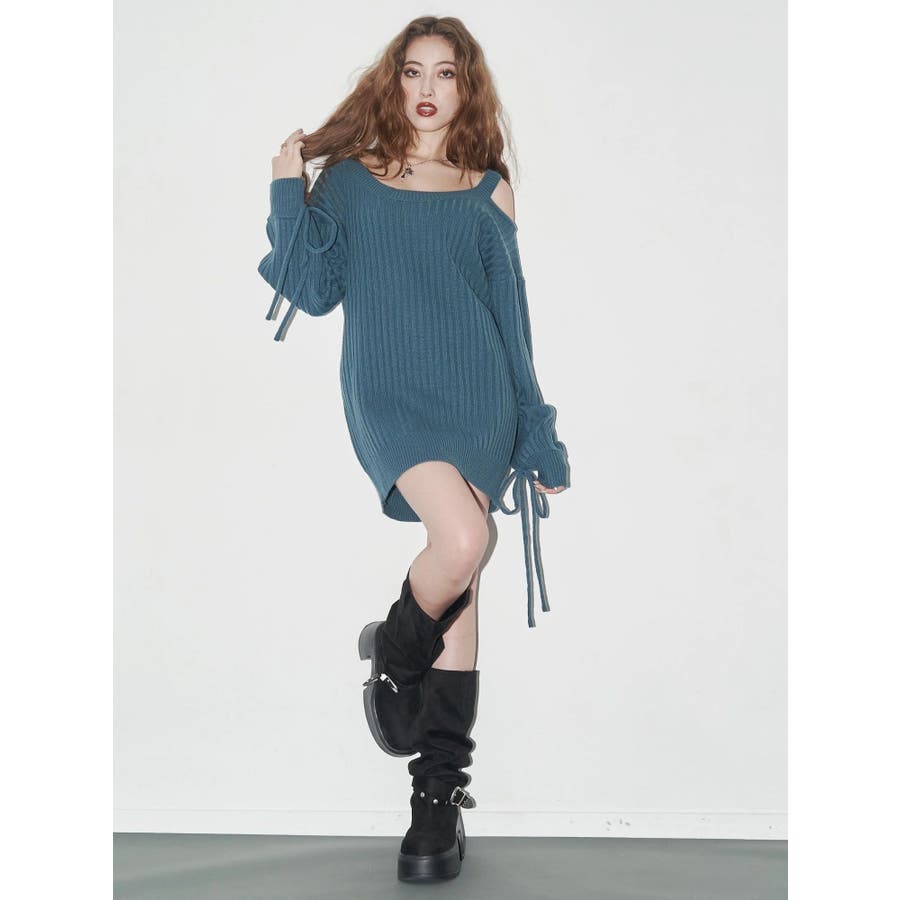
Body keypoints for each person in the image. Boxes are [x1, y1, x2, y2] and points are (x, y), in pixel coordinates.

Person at [257, 14, 571, 883]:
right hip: (391, 395)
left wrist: (536, 431)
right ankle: (395, 653)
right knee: (465, 540)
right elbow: (311, 288)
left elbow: (512, 323)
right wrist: (286, 189)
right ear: (392, 82)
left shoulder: (487, 191)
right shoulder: (353, 183)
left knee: (461, 579)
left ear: (467, 89)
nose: (428, 89)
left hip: (478, 402)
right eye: (412, 71)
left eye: (446, 73)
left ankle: (434, 809)